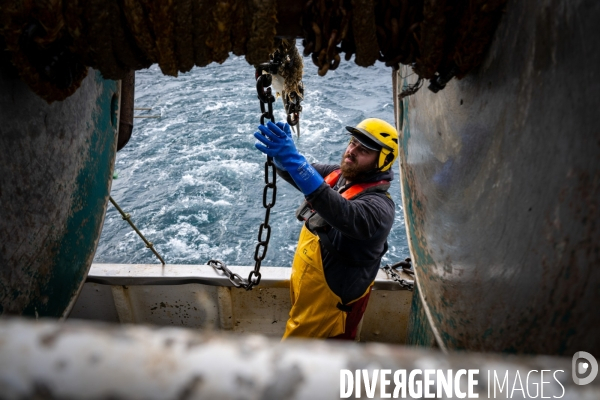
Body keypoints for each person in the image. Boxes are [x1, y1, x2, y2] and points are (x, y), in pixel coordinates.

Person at [254, 118, 398, 340]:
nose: (352, 151)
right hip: (309, 290)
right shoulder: (340, 175)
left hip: (331, 309)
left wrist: (293, 158)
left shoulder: (379, 209)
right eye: (352, 143)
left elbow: (340, 210)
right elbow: (300, 174)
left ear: (384, 160)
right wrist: (283, 158)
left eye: (364, 150)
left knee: (304, 360)